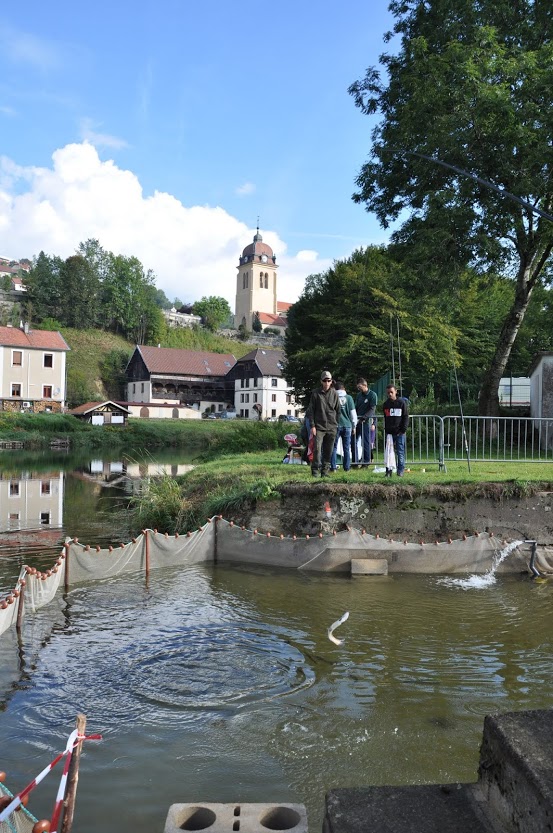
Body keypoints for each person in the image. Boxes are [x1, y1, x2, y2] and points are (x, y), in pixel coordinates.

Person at [308, 370, 340, 477]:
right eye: (325, 380)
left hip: (332, 427)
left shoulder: (335, 394)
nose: (327, 383)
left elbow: (338, 410)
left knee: (328, 450)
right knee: (317, 449)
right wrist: (312, 426)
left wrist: (336, 424)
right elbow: (311, 411)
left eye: (329, 380)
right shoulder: (315, 393)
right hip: (319, 427)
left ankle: (325, 471)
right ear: (321, 381)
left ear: (331, 381)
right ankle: (315, 471)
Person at [382, 384, 409, 477]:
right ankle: (388, 471)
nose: (390, 394)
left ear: (396, 392)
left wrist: (403, 429)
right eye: (388, 392)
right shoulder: (386, 404)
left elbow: (405, 417)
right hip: (389, 433)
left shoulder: (401, 403)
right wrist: (386, 429)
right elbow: (386, 418)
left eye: (391, 392)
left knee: (400, 452)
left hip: (399, 432)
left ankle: (400, 471)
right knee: (389, 452)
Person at [330, 382, 357, 472]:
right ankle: (347, 468)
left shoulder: (333, 397)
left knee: (333, 447)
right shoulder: (349, 398)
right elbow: (353, 414)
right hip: (347, 425)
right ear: (344, 388)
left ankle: (333, 467)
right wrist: (354, 426)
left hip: (336, 425)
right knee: (346, 448)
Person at [354, 378, 377, 465]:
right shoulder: (359, 395)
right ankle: (355, 461)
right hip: (357, 421)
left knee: (366, 442)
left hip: (366, 422)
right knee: (354, 440)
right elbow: (355, 407)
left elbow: (372, 409)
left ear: (365, 385)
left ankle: (366, 462)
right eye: (358, 387)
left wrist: (364, 418)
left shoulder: (372, 395)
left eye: (360, 387)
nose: (359, 389)